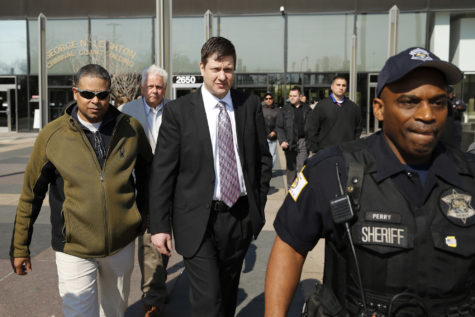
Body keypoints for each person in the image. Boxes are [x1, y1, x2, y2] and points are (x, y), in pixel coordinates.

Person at [265, 47, 475, 317]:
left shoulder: (468, 177)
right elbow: (291, 246)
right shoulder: (333, 171)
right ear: (379, 109)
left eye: (438, 102)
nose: (427, 115)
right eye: (409, 102)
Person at [10, 64, 153, 317]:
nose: (95, 101)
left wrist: (143, 212)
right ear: (75, 93)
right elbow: (31, 194)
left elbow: (148, 173)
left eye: (102, 95)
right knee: (78, 313)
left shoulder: (130, 129)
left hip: (121, 244)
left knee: (115, 311)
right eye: (87, 94)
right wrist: (20, 246)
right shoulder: (52, 136)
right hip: (74, 248)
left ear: (110, 95)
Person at [149, 36, 272, 317]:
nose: (222, 76)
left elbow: (263, 160)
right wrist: (159, 226)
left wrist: (258, 207)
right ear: (202, 67)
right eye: (216, 68)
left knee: (227, 299)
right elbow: (163, 171)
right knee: (208, 302)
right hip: (196, 220)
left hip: (238, 218)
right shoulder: (178, 112)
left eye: (228, 69)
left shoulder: (248, 105)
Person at [119, 64, 170, 317]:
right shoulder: (127, 111)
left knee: (161, 241)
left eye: (159, 86)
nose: (154, 90)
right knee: (149, 242)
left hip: (169, 188)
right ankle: (152, 298)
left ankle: (155, 290)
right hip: (139, 187)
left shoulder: (175, 110)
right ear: (141, 87)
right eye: (150, 86)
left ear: (165, 88)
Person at [306, 75, 362, 156]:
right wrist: (315, 149)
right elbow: (312, 128)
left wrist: (353, 147)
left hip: (347, 153)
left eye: (344, 85)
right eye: (338, 85)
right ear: (332, 87)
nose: (341, 87)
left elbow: (358, 129)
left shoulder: (353, 107)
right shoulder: (321, 106)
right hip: (325, 152)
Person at [276, 86, 311, 187]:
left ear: (300, 96)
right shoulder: (284, 110)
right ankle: (291, 193)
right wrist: (282, 141)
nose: (292, 98)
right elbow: (279, 127)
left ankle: (299, 192)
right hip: (289, 142)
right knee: (291, 169)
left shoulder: (307, 109)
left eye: (294, 96)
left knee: (301, 167)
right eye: (290, 96)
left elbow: (312, 126)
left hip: (303, 141)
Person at [262, 91, 279, 167]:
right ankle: (264, 169)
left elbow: (279, 123)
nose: (268, 100)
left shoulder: (277, 110)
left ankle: (270, 170)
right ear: (264, 100)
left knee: (272, 154)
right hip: (263, 136)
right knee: (263, 154)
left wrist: (275, 131)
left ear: (273, 99)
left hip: (273, 137)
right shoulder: (260, 109)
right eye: (266, 98)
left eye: (270, 98)